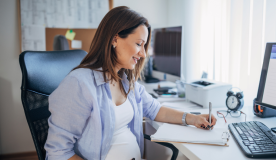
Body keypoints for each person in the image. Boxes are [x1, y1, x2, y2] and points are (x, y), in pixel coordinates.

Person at [44, 6, 217, 160]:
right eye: (139, 44)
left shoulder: (126, 80)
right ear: (114, 39)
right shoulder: (78, 84)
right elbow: (58, 152)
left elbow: (155, 110)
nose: (143, 54)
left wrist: (192, 118)